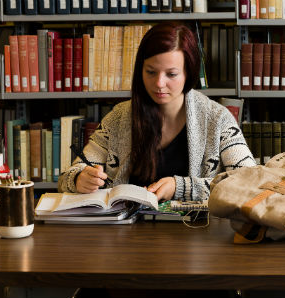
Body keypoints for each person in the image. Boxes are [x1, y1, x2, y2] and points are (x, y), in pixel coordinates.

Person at [58, 22, 256, 201]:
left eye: (171, 74)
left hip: (196, 235)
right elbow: (68, 176)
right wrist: (79, 179)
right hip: (125, 236)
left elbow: (250, 183)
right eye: (151, 72)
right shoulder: (118, 118)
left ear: (189, 73)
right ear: (140, 70)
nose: (159, 84)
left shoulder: (217, 119)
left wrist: (182, 187)